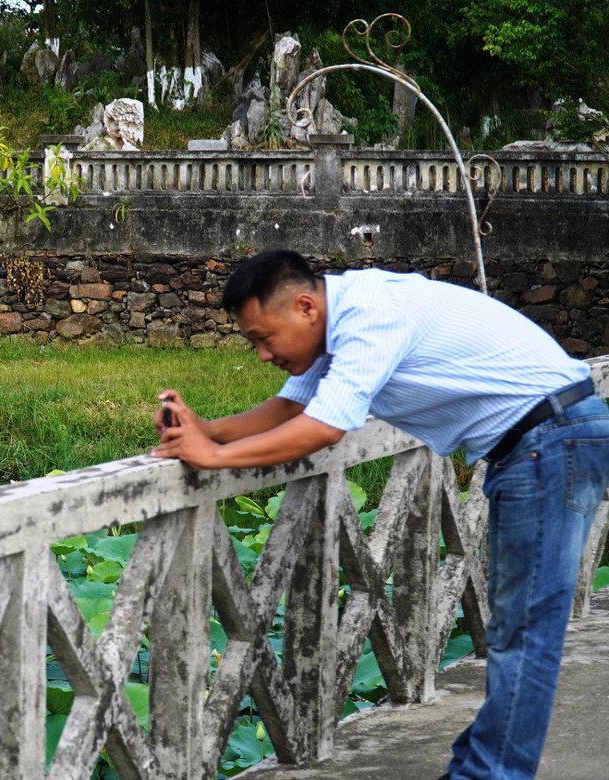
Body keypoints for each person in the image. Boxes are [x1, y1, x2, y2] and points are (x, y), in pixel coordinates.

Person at [150, 249, 609, 779]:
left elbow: (325, 426)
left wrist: (217, 457)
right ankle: (481, 767)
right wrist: (206, 428)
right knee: (519, 631)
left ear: (304, 306)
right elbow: (292, 409)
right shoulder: (339, 318)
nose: (261, 355)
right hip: (546, 438)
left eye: (262, 338)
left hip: (549, 440)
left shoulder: (370, 313)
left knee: (526, 635)